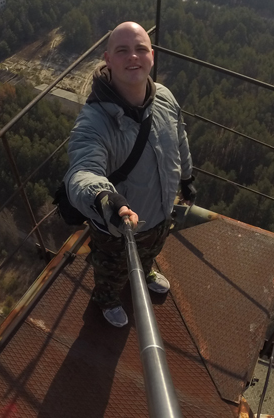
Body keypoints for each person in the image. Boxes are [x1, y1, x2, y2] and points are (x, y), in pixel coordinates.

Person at [65, 21, 195, 327]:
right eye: (122, 51)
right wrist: (103, 197)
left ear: (151, 55)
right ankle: (107, 299)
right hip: (118, 224)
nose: (133, 57)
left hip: (160, 212)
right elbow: (81, 171)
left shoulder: (164, 96)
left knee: (152, 249)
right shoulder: (95, 121)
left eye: (140, 49)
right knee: (111, 269)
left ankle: (146, 269)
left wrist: (187, 177)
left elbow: (179, 138)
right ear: (108, 60)